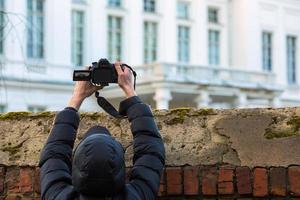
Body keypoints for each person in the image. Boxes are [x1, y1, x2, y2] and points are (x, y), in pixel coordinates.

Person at [39, 62, 166, 200]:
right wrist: (129, 89)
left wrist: (77, 97)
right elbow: (151, 149)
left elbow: (54, 154)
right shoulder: (137, 196)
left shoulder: (58, 196)